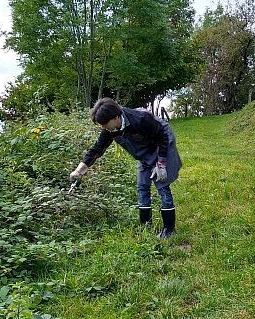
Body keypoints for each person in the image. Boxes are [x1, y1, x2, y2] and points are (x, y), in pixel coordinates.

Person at [70, 97, 182, 238]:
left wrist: (161, 163)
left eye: (105, 124)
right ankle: (146, 225)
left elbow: (163, 138)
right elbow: (97, 149)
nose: (103, 127)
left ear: (116, 117)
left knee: (162, 184)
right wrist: (79, 171)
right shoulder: (110, 129)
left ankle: (169, 229)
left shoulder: (141, 119)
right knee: (142, 186)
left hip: (162, 145)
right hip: (143, 152)